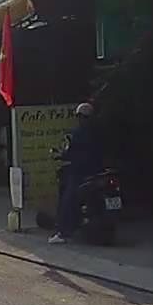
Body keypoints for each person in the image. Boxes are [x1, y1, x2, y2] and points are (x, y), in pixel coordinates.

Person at [49, 102, 102, 244]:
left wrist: (61, 155)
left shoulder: (78, 133)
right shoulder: (100, 131)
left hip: (82, 170)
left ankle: (63, 231)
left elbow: (70, 152)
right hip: (99, 169)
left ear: (81, 117)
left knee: (68, 197)